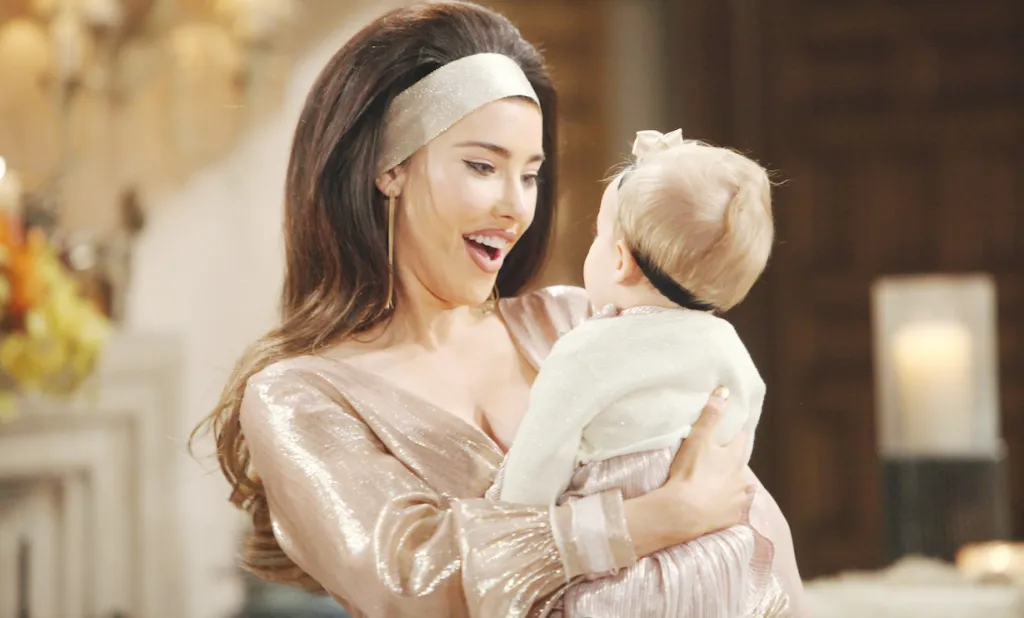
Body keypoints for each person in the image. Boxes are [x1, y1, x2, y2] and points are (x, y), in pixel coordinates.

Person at [191, 2, 802, 617]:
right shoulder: (298, 398)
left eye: (531, 175)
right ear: (389, 168)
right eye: (482, 166)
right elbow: (417, 583)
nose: (515, 208)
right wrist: (655, 519)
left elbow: (739, 511)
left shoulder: (577, 322)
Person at [498, 129, 785, 616]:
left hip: (620, 578)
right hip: (714, 572)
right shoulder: (729, 346)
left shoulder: (586, 349)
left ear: (619, 260)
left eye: (597, 234)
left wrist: (509, 532)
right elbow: (737, 447)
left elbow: (537, 466)